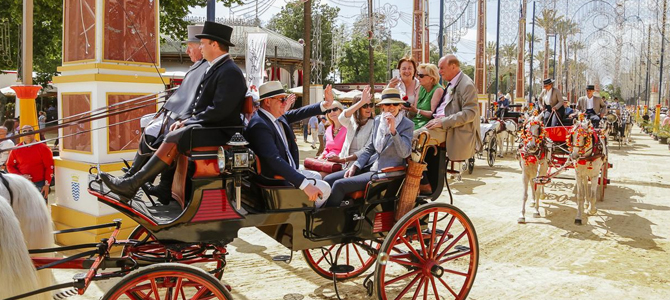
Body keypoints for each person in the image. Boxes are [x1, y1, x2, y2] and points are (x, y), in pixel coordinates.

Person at [99, 21, 247, 203]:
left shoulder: (229, 71)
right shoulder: (217, 67)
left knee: (176, 135)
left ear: (214, 45)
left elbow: (219, 110)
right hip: (210, 126)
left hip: (221, 131)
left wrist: (189, 122)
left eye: (203, 43)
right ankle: (149, 184)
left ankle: (132, 183)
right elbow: (203, 107)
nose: (200, 47)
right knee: (171, 131)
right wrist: (186, 120)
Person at [116, 25, 208, 204]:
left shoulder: (204, 69)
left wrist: (184, 117)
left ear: (201, 46)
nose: (187, 50)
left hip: (192, 120)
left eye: (190, 46)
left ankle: (134, 179)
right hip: (182, 115)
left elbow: (197, 99)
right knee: (152, 127)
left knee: (159, 130)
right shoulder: (197, 68)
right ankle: (140, 179)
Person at [245, 81, 335, 203]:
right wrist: (305, 185)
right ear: (267, 102)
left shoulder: (274, 117)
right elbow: (273, 160)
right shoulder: (260, 125)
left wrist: (325, 104)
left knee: (318, 176)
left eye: (285, 98)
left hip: (288, 170)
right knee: (325, 188)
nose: (285, 103)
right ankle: (308, 216)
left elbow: (300, 112)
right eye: (282, 99)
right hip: (277, 179)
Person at [323, 88, 413, 207]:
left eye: (395, 104)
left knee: (339, 185)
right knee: (328, 179)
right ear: (382, 107)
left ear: (400, 106)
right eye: (387, 104)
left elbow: (405, 153)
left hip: (387, 172)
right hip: (369, 166)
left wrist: (393, 131)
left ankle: (326, 221)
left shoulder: (407, 124)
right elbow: (370, 148)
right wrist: (355, 166)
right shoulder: (377, 121)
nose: (391, 107)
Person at [416, 54, 480, 164]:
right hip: (436, 123)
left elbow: (470, 113)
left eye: (441, 68)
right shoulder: (453, 83)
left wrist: (442, 122)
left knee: (412, 138)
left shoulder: (466, 85)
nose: (439, 71)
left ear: (453, 66)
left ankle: (421, 179)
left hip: (450, 130)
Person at [328, 86, 375, 168]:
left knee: (331, 180)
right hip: (342, 163)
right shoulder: (352, 121)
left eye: (370, 105)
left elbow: (366, 150)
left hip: (359, 165)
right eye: (365, 106)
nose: (369, 108)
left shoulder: (374, 124)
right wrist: (361, 102)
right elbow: (341, 118)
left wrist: (344, 159)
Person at [6, 125, 54, 202]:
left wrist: (47, 185)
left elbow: (49, 167)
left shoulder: (44, 148)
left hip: (40, 184)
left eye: (30, 131)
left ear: (34, 133)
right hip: (22, 184)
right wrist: (21, 177)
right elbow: (9, 165)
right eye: (24, 131)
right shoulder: (15, 149)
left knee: (40, 209)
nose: (27, 133)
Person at [402, 63, 444, 130]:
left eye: (421, 76)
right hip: (416, 122)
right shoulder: (421, 87)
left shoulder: (438, 90)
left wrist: (417, 111)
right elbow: (415, 109)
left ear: (431, 78)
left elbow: (433, 114)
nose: (418, 78)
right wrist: (408, 108)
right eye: (418, 75)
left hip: (428, 125)